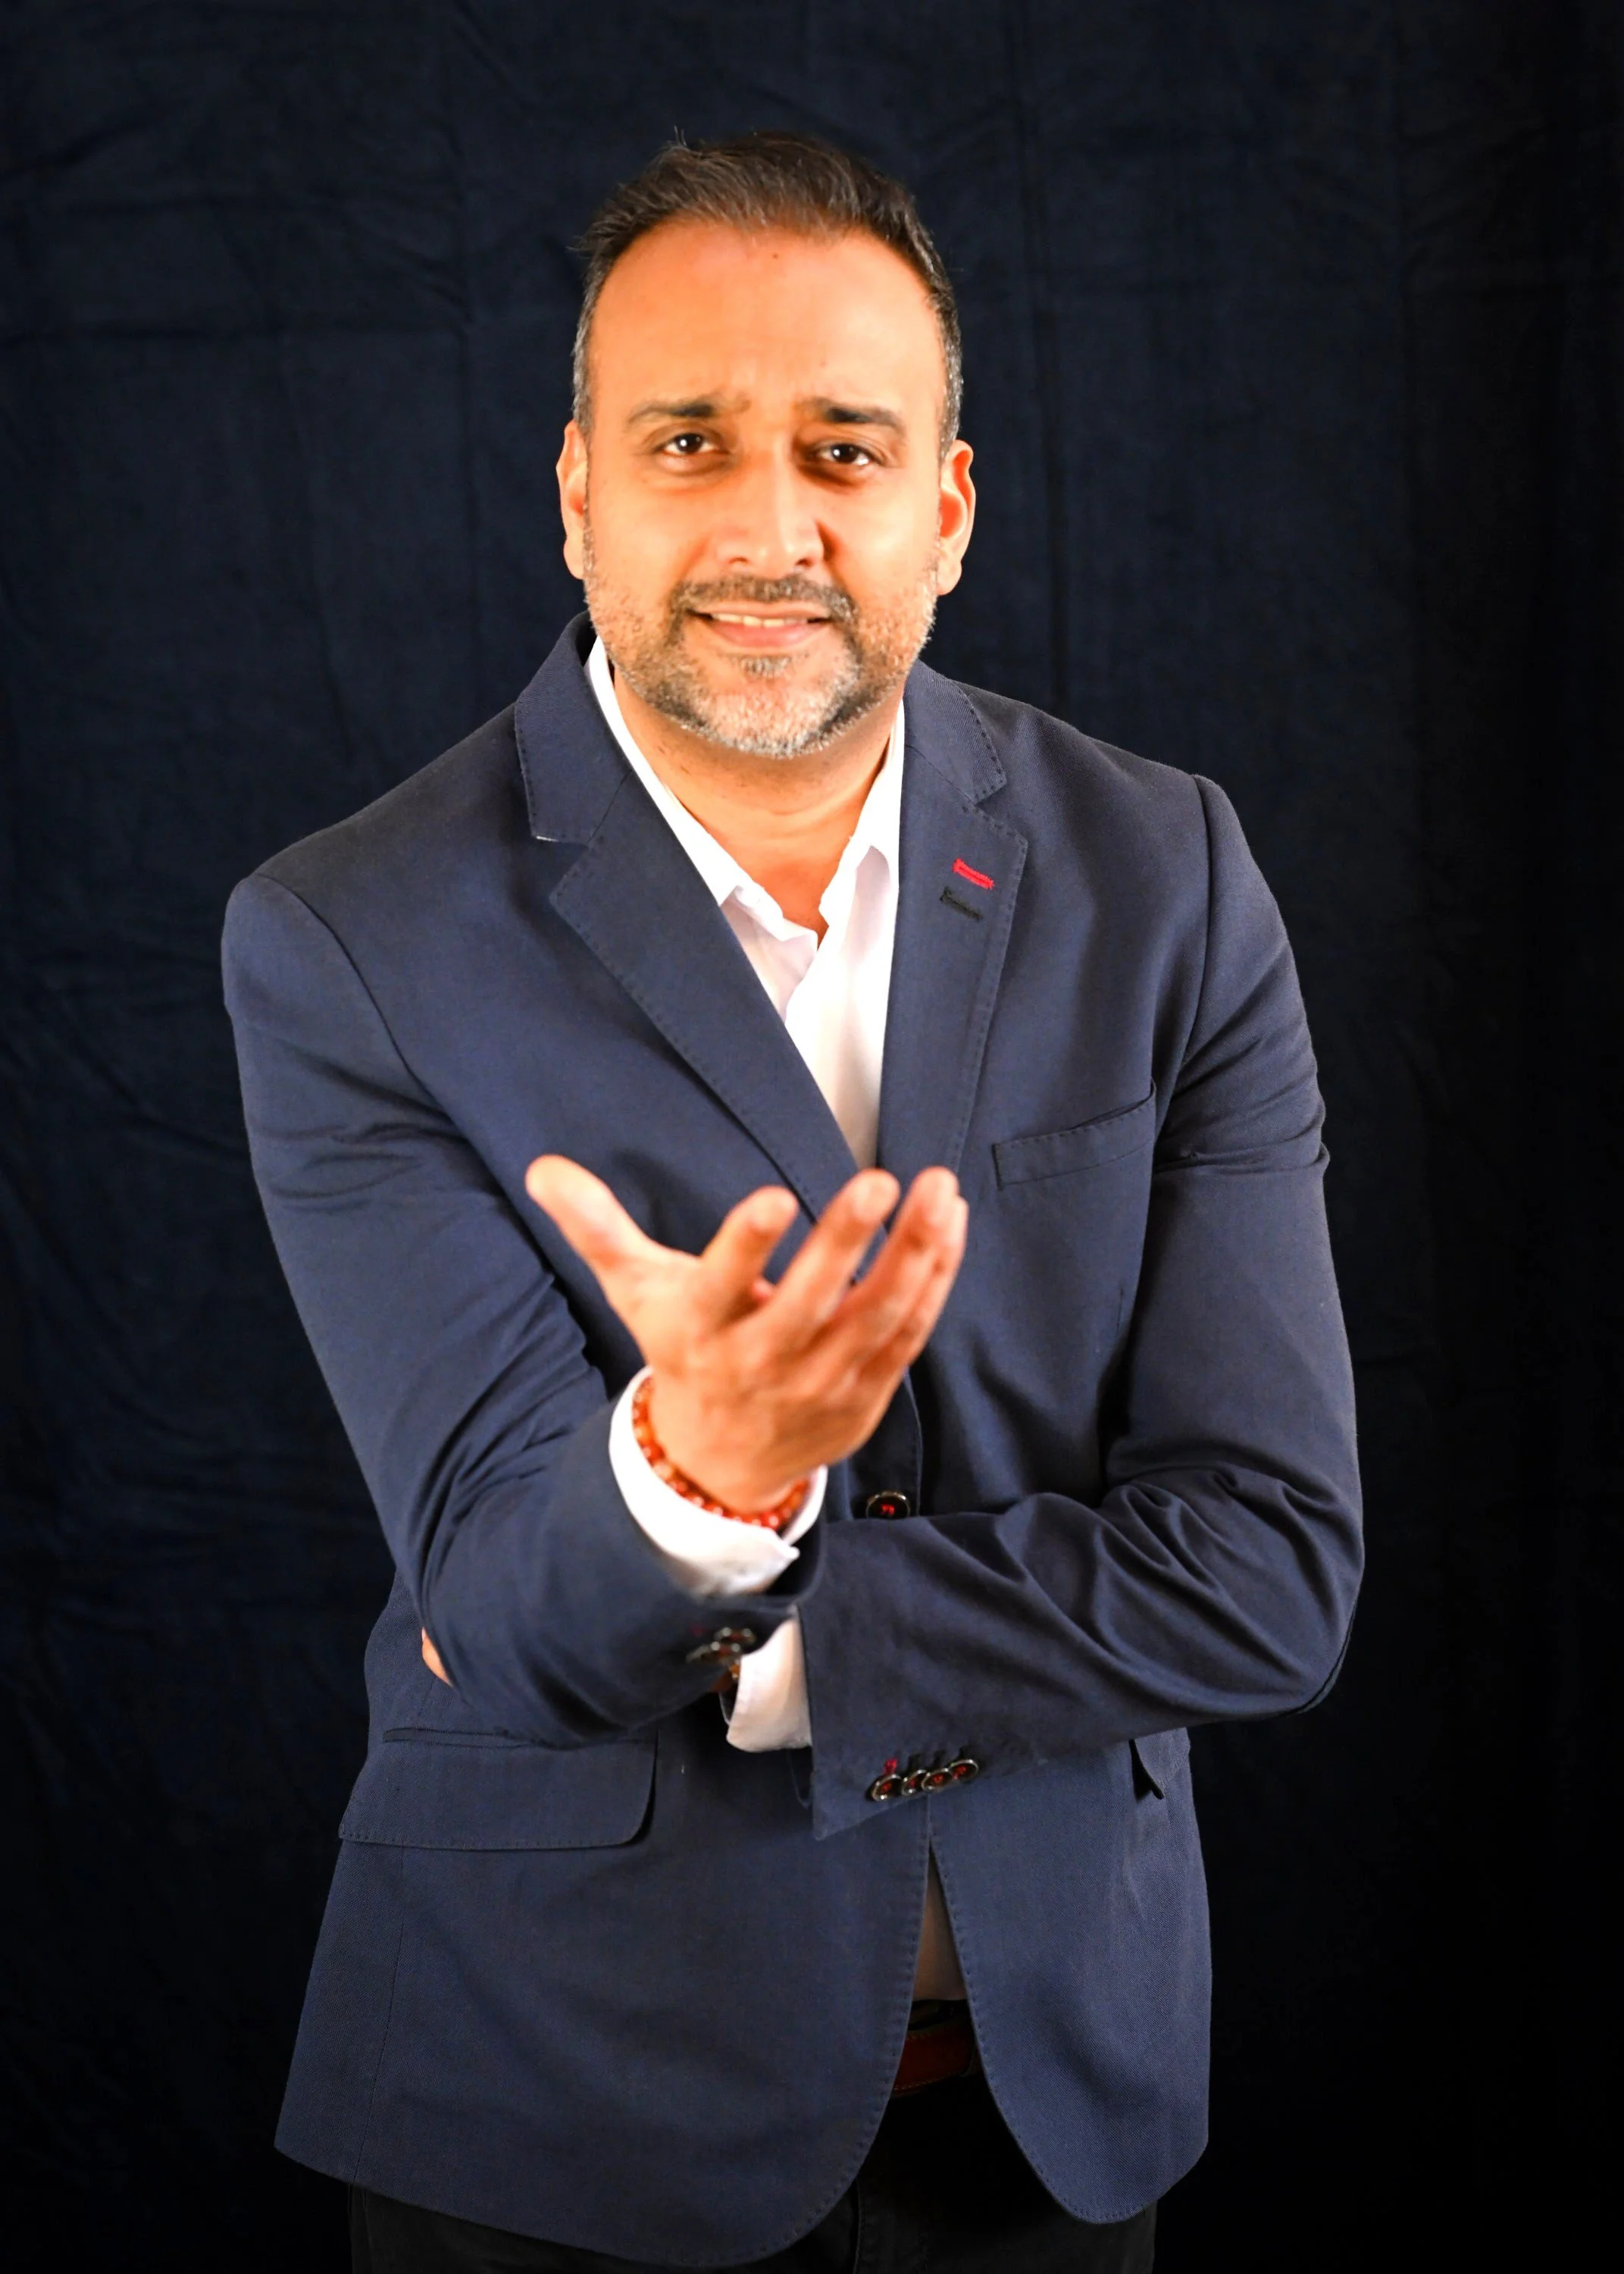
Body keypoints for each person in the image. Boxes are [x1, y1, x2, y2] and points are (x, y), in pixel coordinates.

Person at [223, 131, 1362, 2274]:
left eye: (842, 449)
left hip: (1052, 2113)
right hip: (549, 2112)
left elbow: (1273, 1574)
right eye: (688, 442)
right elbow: (516, 1610)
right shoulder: (344, 935)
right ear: (579, 492)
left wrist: (768, 1610)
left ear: (943, 504)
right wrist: (691, 1481)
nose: (769, 527)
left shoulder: (1170, 877)